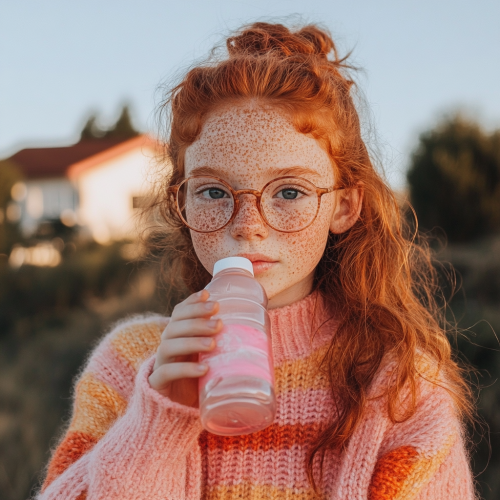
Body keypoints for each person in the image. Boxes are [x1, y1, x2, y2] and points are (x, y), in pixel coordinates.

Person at [37, 22, 476, 500]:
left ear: (345, 206)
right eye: (212, 191)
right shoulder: (130, 365)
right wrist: (157, 422)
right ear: (179, 203)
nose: (247, 224)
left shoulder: (400, 388)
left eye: (289, 190)